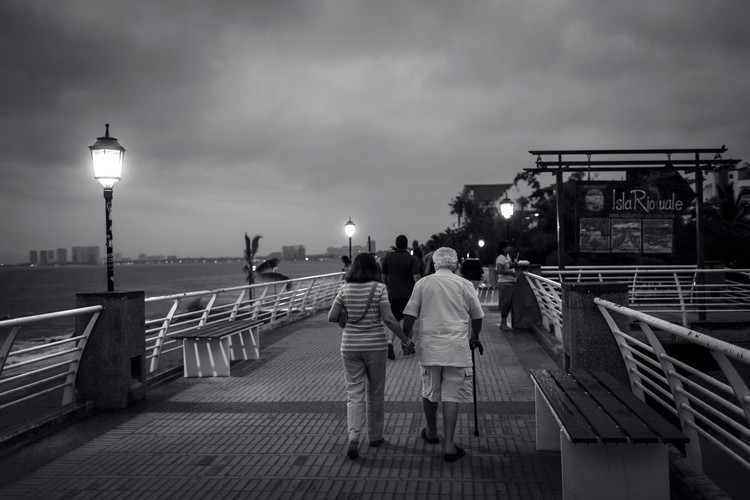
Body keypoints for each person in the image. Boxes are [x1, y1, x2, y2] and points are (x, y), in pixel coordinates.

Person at [328, 253, 414, 460]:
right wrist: (405, 339)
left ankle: (353, 439)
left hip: (349, 347)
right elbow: (389, 319)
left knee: (354, 393)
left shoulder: (344, 289)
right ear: (374, 268)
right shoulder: (379, 289)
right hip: (375, 347)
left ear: (354, 269)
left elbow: (332, 317)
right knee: (375, 393)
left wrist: (346, 315)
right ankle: (375, 437)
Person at [402, 247, 484, 462]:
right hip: (456, 347)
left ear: (435, 264)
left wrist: (406, 339)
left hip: (430, 346)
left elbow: (410, 314)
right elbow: (477, 316)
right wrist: (474, 336)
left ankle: (431, 432)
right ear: (455, 264)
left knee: (430, 390)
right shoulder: (465, 284)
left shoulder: (423, 284)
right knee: (451, 395)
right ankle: (449, 445)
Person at [380, 235, 421, 360]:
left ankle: (390, 343)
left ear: (396, 244)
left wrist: (389, 286)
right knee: (408, 321)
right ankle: (407, 345)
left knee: (393, 320)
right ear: (406, 244)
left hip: (392, 295)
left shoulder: (388, 258)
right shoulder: (411, 259)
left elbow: (383, 277)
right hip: (408, 295)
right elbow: (417, 279)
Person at [495, 241, 516, 330]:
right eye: (508, 246)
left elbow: (510, 265)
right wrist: (511, 272)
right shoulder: (500, 258)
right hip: (505, 283)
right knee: (506, 303)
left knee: (508, 303)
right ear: (503, 248)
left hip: (510, 282)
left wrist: (514, 263)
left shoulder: (507, 256)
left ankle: (504, 324)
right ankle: (503, 324)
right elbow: (499, 270)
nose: (509, 248)